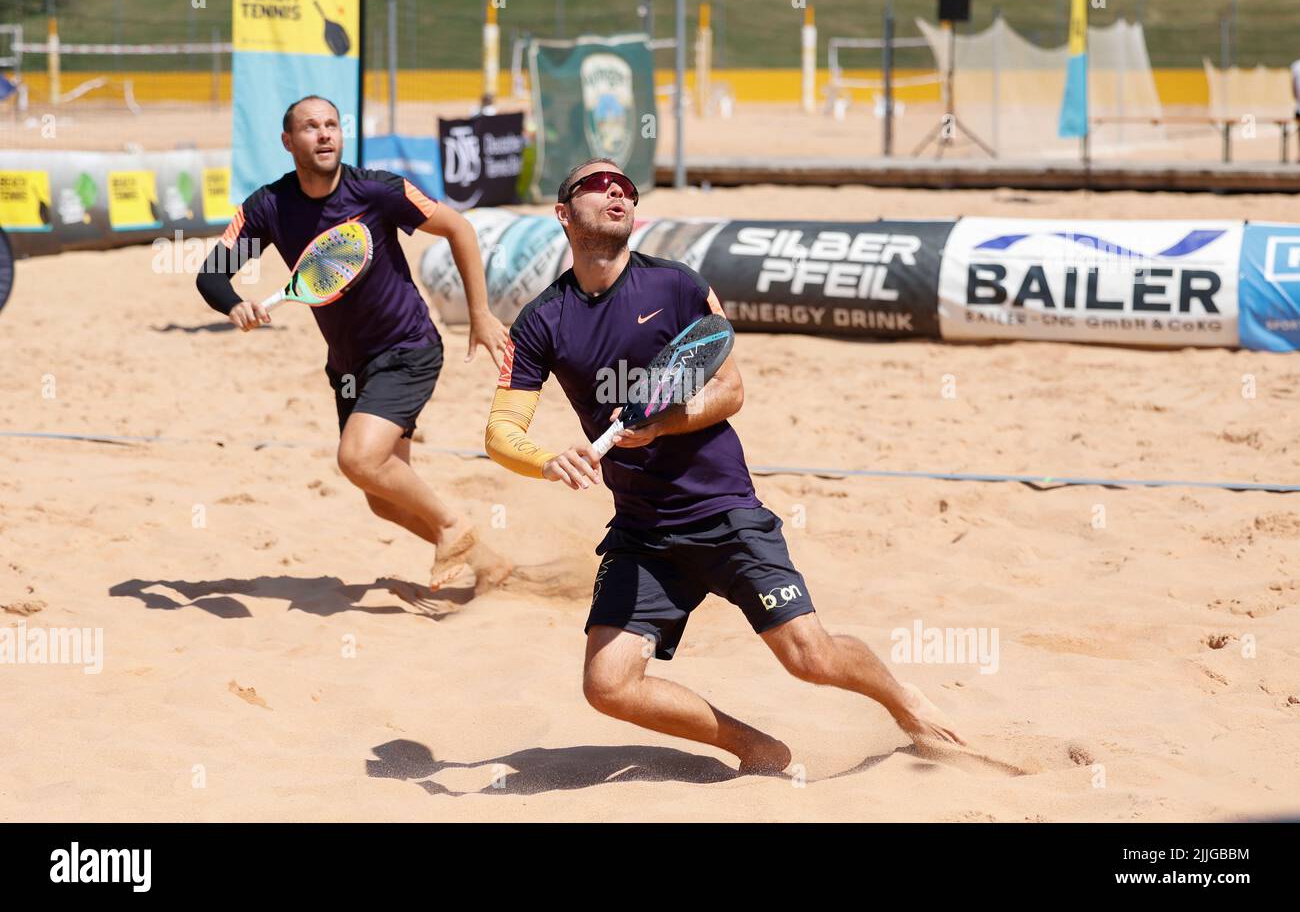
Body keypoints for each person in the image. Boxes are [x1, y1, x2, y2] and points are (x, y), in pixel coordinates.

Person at [482, 158, 966, 772]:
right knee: (608, 684)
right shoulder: (541, 321)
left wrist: (663, 423)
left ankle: (905, 701)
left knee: (808, 659)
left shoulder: (677, 286)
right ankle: (757, 749)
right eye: (597, 186)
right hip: (642, 531)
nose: (617, 193)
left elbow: (730, 391)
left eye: (626, 188)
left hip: (724, 510)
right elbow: (500, 432)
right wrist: (549, 459)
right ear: (562, 213)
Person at [196, 94, 509, 591]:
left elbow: (458, 227)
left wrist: (479, 313)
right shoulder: (269, 206)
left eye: (331, 125)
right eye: (310, 127)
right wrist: (234, 303)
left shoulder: (376, 190)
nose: (323, 134)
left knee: (358, 459)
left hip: (408, 348)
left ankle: (454, 526)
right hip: (346, 368)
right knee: (382, 497)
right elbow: (212, 275)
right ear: (287, 141)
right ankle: (490, 562)